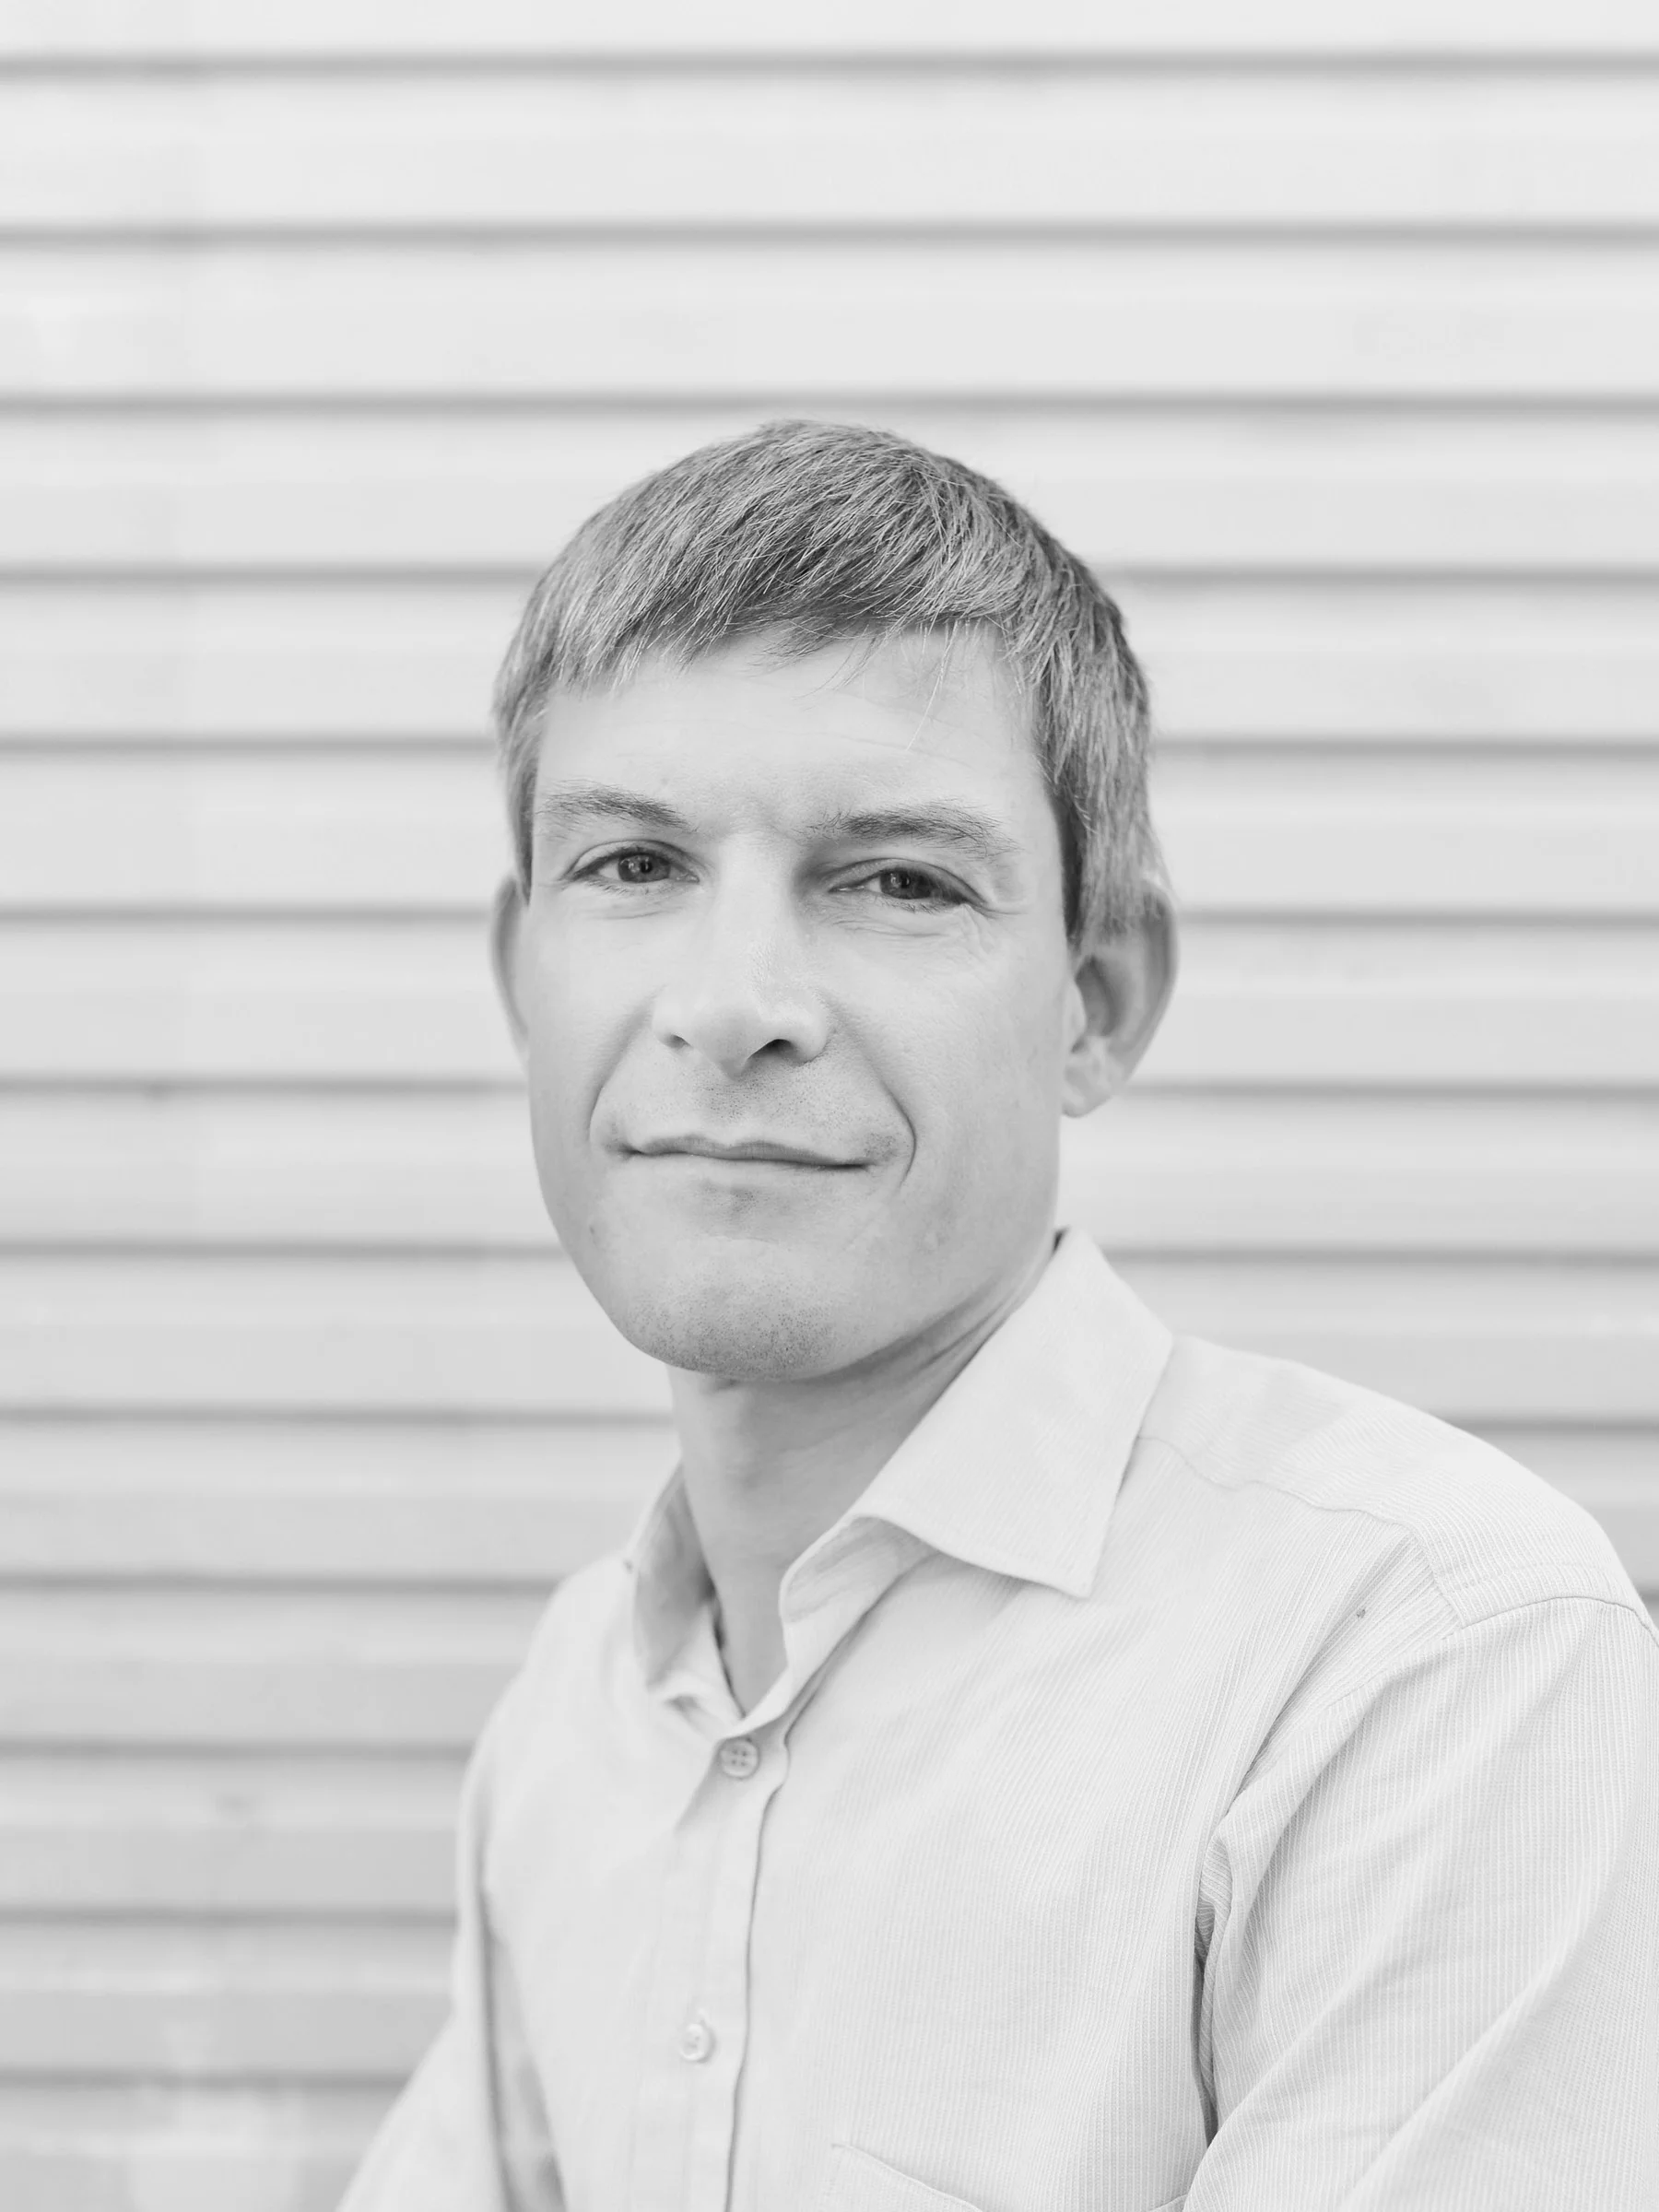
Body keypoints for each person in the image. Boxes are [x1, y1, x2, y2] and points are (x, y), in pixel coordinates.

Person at [340, 421, 1658, 2212]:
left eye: (901, 879)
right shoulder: (580, 1707)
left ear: (1096, 1002)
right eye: (634, 864)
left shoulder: (1419, 1661)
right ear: (522, 974)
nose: (734, 1002)